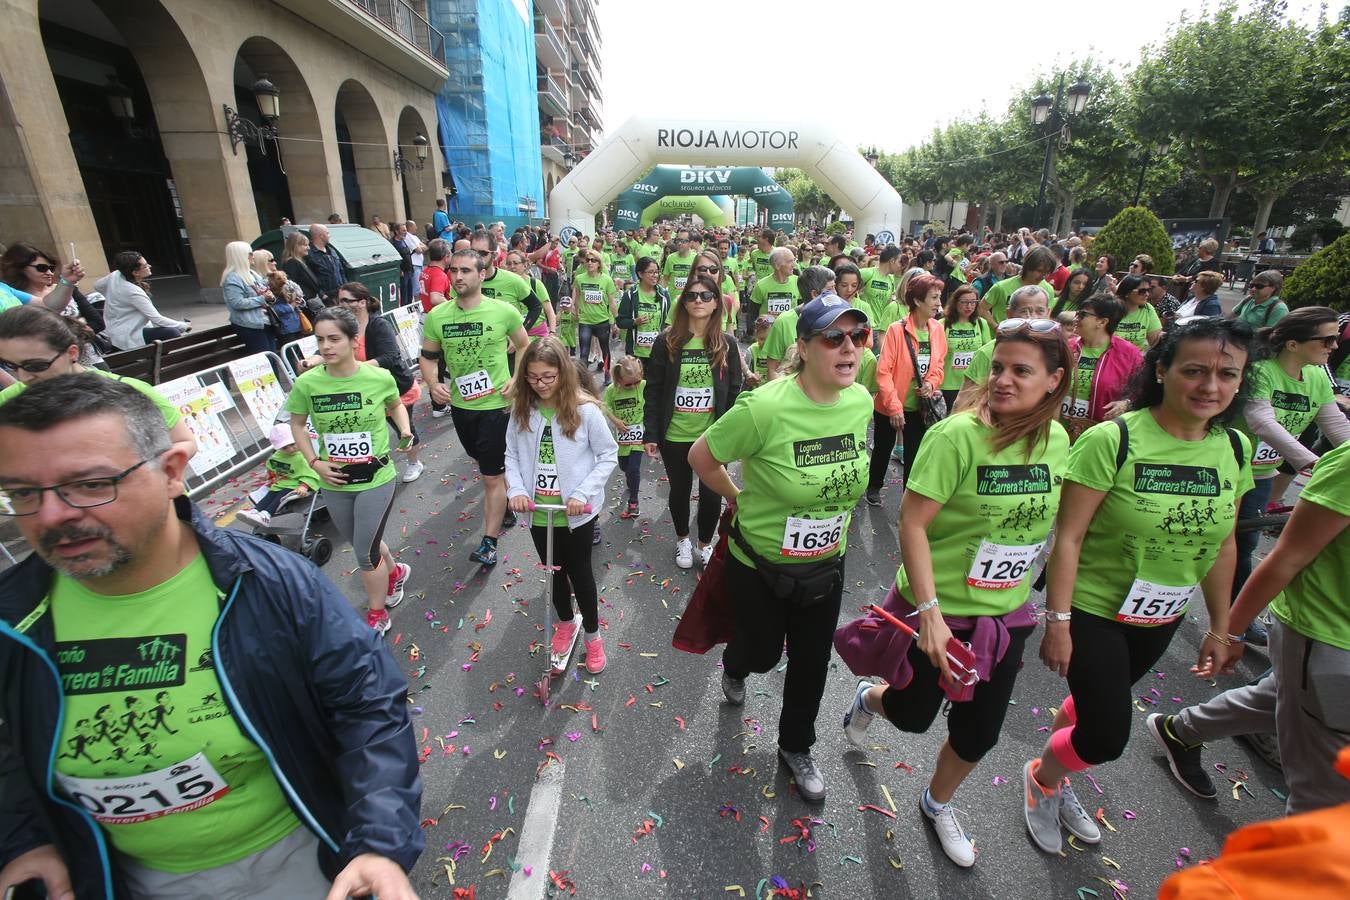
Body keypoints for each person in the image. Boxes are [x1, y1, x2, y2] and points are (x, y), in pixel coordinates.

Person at [0, 375, 423, 900]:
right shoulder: (11, 620)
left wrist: (377, 843)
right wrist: (25, 841)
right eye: (23, 492)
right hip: (112, 876)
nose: (53, 515)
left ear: (172, 471)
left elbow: (367, 706)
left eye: (90, 484)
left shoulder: (272, 586)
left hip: (299, 863)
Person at [835, 317, 1071, 867]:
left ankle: (937, 803)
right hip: (934, 611)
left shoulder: (1059, 441)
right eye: (999, 368)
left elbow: (1059, 530)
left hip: (1004, 618)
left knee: (979, 731)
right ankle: (871, 698)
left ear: (1055, 381)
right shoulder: (956, 435)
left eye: (1022, 371)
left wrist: (1058, 614)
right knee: (915, 716)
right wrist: (931, 614)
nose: (1004, 380)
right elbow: (912, 523)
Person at [1024, 317, 1256, 856]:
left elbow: (1225, 546)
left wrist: (1223, 628)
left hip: (1161, 615)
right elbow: (1070, 539)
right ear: (1162, 371)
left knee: (1089, 708)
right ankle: (1043, 776)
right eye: (1195, 371)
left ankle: (1058, 770)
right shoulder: (1114, 439)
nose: (1210, 386)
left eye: (1227, 373)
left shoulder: (1237, 448)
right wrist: (1057, 622)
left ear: (1241, 381)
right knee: (1106, 736)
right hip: (1094, 609)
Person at [689, 293, 873, 803]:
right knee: (764, 653)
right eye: (833, 337)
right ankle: (736, 663)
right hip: (760, 566)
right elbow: (701, 456)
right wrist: (737, 497)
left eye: (857, 337)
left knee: (812, 661)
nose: (848, 348)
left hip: (825, 566)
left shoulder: (859, 402)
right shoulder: (765, 406)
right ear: (805, 347)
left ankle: (796, 747)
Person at [287, 305, 413, 627]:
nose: (326, 347)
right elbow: (298, 424)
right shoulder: (308, 384)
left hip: (376, 478)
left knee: (365, 554)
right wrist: (315, 463)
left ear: (353, 340)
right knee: (363, 539)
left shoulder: (378, 377)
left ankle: (376, 615)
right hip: (335, 482)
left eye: (334, 339)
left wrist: (406, 429)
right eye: (320, 340)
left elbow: (396, 405)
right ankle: (395, 572)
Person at [1229, 307, 1348, 638]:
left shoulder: (1316, 377)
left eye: (1336, 338)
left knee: (1243, 542)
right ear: (1293, 343)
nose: (1334, 346)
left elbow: (1335, 424)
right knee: (1213, 538)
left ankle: (1233, 617)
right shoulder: (1262, 371)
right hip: (1226, 468)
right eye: (1327, 339)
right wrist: (1312, 462)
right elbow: (1261, 421)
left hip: (1261, 475)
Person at [504, 336, 617, 674]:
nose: (540, 385)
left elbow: (608, 455)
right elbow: (510, 454)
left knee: (580, 573)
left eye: (548, 377)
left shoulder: (585, 410)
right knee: (553, 573)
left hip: (575, 513)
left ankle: (594, 637)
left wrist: (583, 493)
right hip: (539, 512)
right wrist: (518, 490)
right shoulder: (522, 409)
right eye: (533, 377)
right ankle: (565, 623)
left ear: (563, 374)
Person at [420, 249, 530, 567]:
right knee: (482, 461)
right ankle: (506, 501)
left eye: (466, 270)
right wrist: (432, 383)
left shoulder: (503, 311)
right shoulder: (438, 317)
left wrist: (517, 379)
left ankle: (489, 542)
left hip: (496, 406)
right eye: (453, 270)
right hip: (462, 407)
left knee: (491, 477)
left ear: (482, 274)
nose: (458, 276)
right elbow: (427, 357)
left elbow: (524, 345)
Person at [0, 305, 197, 460]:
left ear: (72, 353)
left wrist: (134, 473)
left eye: (35, 365)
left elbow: (184, 441)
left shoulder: (128, 391)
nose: (23, 377)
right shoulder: (8, 401)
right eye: (10, 365)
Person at [643, 275, 743, 570]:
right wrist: (651, 432)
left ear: (716, 304)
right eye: (692, 296)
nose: (698, 301)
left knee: (712, 495)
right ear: (683, 303)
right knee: (680, 490)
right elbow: (654, 389)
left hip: (712, 436)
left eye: (706, 296)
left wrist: (731, 433)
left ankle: (704, 543)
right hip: (675, 434)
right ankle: (683, 539)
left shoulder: (726, 343)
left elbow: (735, 389)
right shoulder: (667, 341)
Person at [866, 273, 947, 506]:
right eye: (933, 297)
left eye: (939, 297)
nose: (938, 303)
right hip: (890, 406)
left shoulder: (937, 330)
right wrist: (894, 408)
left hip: (920, 407)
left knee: (914, 453)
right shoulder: (895, 330)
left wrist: (931, 383)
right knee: (883, 447)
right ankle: (874, 487)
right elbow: (883, 372)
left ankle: (908, 499)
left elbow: (939, 365)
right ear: (918, 301)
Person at [333, 282, 426, 483]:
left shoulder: (378, 325)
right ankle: (368, 467)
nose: (342, 305)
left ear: (362, 302)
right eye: (340, 301)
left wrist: (359, 369)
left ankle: (414, 462)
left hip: (393, 388)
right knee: (367, 431)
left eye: (347, 300)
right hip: (364, 392)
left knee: (404, 429)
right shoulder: (342, 328)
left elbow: (390, 356)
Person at [1, 243, 104, 366]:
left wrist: (67, 280)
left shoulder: (4, 288)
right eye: (41, 267)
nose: (49, 272)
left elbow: (48, 307)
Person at [1060, 294, 1143, 442]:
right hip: (1060, 431)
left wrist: (1126, 403)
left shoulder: (1129, 354)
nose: (1076, 318)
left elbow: (1143, 389)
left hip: (1102, 435)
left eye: (1083, 314)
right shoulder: (1066, 346)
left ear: (1102, 321)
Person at [97, 251, 190, 350]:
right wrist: (184, 326)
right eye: (145, 266)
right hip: (126, 336)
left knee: (168, 331)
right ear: (135, 273)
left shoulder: (116, 275)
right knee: (172, 332)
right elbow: (157, 319)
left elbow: (97, 285)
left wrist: (116, 298)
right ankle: (152, 359)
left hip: (116, 332)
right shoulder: (132, 292)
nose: (149, 266)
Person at [237, 422, 320, 527]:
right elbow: (273, 466)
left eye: (292, 444)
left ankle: (266, 514)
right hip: (281, 483)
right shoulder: (278, 456)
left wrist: (304, 486)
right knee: (270, 495)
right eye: (285, 447)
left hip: (295, 485)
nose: (290, 449)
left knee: (279, 498)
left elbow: (311, 473)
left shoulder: (302, 456)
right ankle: (255, 511)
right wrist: (270, 475)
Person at [604, 355, 646, 519]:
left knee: (634, 468)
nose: (634, 385)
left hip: (639, 438)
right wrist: (615, 421)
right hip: (622, 439)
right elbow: (605, 407)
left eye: (637, 381)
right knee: (624, 467)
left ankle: (633, 502)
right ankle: (631, 480)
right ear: (618, 378)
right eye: (629, 383)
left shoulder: (643, 386)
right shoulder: (612, 391)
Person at [218, 242, 278, 355]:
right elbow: (237, 303)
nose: (253, 256)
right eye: (250, 253)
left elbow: (266, 292)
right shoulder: (232, 278)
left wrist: (270, 297)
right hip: (250, 325)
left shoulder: (252, 273)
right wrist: (262, 299)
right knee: (264, 360)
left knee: (273, 356)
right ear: (240, 256)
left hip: (265, 321)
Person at [940, 284, 991, 412]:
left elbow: (987, 353)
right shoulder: (943, 325)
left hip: (973, 385)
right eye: (965, 302)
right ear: (955, 302)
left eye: (973, 302)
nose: (969, 306)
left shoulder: (981, 324)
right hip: (948, 384)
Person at [570, 249, 619, 384]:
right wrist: (575, 309)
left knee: (605, 350)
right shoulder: (580, 278)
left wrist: (615, 321)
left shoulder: (606, 280)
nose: (590, 263)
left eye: (593, 260)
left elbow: (612, 301)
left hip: (602, 321)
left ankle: (607, 374)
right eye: (587, 260)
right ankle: (583, 381)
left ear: (599, 263)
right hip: (585, 321)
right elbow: (577, 296)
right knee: (584, 353)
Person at [979, 245, 1058, 325]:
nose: (1044, 276)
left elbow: (1047, 316)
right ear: (1028, 266)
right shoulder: (1001, 287)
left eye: (1047, 272)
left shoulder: (1048, 289)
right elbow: (981, 309)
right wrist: (996, 327)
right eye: (1039, 271)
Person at [615, 256, 668, 360]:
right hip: (636, 353)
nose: (655, 275)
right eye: (651, 272)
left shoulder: (664, 295)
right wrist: (634, 322)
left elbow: (669, 322)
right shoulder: (630, 294)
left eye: (657, 272)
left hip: (658, 352)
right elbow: (620, 322)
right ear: (640, 274)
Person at [503, 250, 557, 342]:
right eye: (509, 264)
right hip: (512, 338)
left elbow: (549, 311)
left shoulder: (535, 284)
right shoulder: (504, 286)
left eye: (516, 263)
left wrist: (552, 332)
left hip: (537, 337)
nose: (512, 267)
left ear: (525, 265)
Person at [1113, 274, 1164, 352]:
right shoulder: (1111, 308)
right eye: (1142, 291)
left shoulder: (1148, 309)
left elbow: (1155, 343)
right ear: (1127, 292)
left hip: (1135, 360)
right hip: (1110, 359)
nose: (1147, 294)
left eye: (1148, 290)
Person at [749, 247, 799, 322]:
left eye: (794, 260)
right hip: (768, 332)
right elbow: (752, 313)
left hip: (790, 332)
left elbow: (802, 309)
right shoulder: (761, 285)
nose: (794, 265)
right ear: (777, 265)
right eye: (790, 261)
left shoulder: (798, 282)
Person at [280, 230, 323, 309]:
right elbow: (291, 286)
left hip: (311, 302)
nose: (308, 248)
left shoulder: (301, 261)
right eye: (305, 245)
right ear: (296, 246)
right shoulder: (291, 263)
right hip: (305, 305)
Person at [306, 224, 346, 302]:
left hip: (340, 294)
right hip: (326, 297)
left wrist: (346, 288)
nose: (329, 235)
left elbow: (341, 271)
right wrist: (322, 295)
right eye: (327, 233)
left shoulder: (332, 250)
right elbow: (308, 278)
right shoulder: (309, 254)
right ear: (321, 236)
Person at [743, 315, 773, 390]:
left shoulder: (779, 349)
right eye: (761, 339)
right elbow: (744, 378)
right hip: (757, 392)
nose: (764, 343)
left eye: (767, 339)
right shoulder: (751, 350)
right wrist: (749, 379)